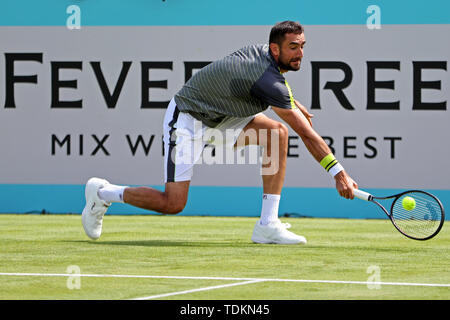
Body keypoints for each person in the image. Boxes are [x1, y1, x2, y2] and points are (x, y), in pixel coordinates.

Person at [82, 21, 358, 244]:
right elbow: (307, 133)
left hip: (223, 117)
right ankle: (103, 194)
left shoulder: (268, 59)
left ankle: (267, 225)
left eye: (302, 46)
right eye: (293, 47)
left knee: (276, 133)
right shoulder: (267, 78)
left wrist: (290, 99)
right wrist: (339, 173)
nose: (300, 53)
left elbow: (269, 84)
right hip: (188, 119)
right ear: (275, 50)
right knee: (172, 203)